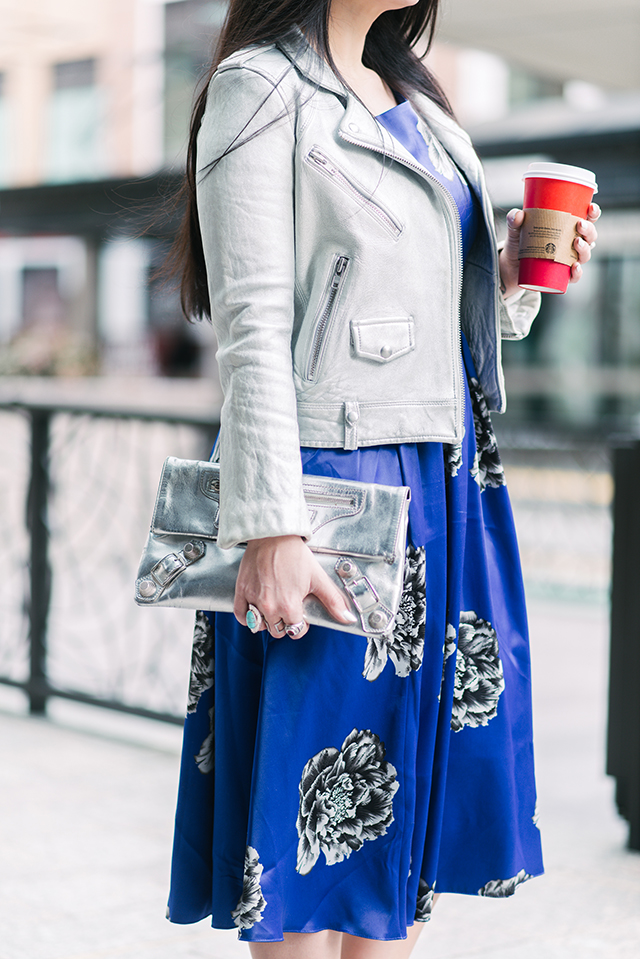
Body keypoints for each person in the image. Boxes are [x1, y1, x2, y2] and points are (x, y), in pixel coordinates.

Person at [165, 1, 600, 956]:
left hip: (443, 483)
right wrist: (271, 528)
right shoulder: (261, 87)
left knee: (393, 843)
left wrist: (514, 270)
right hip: (331, 488)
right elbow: (251, 326)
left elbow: (436, 319)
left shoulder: (416, 97)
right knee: (306, 843)